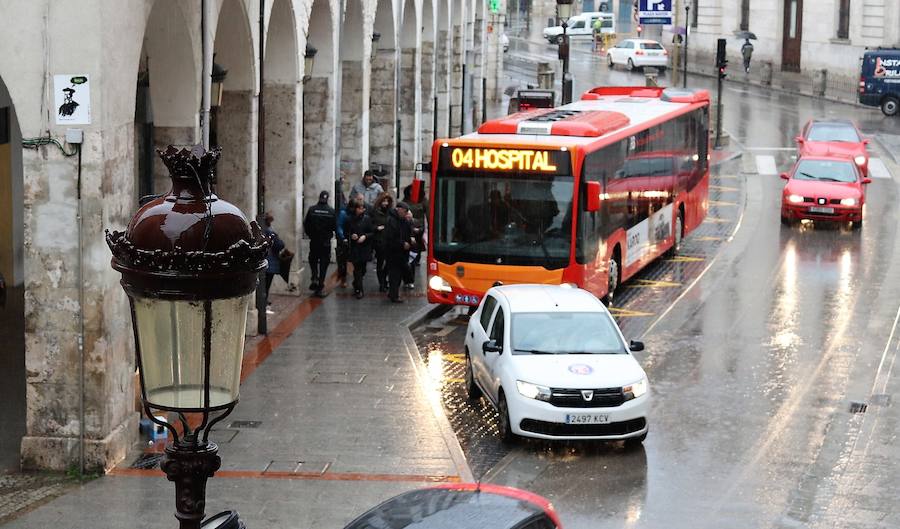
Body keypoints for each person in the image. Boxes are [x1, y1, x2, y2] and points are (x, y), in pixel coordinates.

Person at [303, 190, 336, 297]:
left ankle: (314, 276)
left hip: (314, 240)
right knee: (324, 263)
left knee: (313, 259)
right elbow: (334, 226)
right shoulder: (331, 211)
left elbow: (306, 224)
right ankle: (320, 284)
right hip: (325, 242)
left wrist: (311, 235)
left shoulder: (312, 210)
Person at [383, 201, 414, 303]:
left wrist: (410, 240)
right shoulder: (391, 221)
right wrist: (402, 244)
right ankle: (394, 295)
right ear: (399, 210)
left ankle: (393, 293)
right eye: (404, 212)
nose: (405, 214)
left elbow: (407, 232)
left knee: (399, 273)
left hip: (402, 253)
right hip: (393, 252)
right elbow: (391, 238)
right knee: (395, 274)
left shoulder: (403, 220)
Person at [345, 199, 375, 299]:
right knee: (357, 269)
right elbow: (347, 231)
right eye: (358, 208)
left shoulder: (367, 219)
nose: (360, 210)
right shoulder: (350, 219)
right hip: (355, 247)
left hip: (365, 247)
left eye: (362, 208)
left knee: (363, 270)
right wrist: (351, 236)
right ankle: (360, 290)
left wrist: (365, 236)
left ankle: (356, 283)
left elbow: (372, 232)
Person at [371, 191, 394, 293]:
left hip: (389, 241)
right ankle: (382, 283)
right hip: (379, 241)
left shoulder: (391, 212)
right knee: (381, 263)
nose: (385, 203)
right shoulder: (374, 212)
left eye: (387, 201)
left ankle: (385, 280)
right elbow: (370, 224)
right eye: (384, 201)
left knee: (388, 263)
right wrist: (376, 228)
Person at [263, 212, 285, 311]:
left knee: (264, 284)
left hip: (265, 262)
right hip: (270, 262)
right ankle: (264, 301)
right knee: (267, 284)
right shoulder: (270, 232)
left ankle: (264, 300)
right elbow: (279, 245)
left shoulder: (261, 230)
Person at [335, 200, 353, 288]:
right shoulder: (343, 213)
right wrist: (343, 238)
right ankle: (343, 277)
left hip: (351, 238)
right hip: (345, 239)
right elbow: (339, 226)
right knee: (343, 260)